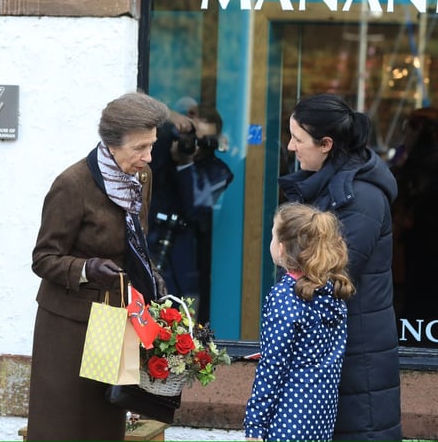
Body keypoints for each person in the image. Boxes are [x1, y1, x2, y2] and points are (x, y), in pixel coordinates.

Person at [27, 91, 169, 441]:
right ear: (111, 143)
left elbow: (136, 242)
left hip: (112, 319)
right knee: (64, 427)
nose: (148, 157)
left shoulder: (143, 177)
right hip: (68, 326)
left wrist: (151, 275)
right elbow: (43, 258)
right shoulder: (72, 184)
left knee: (103, 425)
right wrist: (89, 268)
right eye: (140, 148)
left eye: (151, 146)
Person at [278, 93, 401, 441]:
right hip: (337, 354)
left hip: (357, 363)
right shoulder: (329, 187)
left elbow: (330, 277)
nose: (290, 147)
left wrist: (282, 257)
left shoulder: (359, 198)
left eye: (298, 139)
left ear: (326, 144)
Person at [244, 202, 354, 442]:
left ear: (282, 248)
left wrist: (255, 425)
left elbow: (272, 367)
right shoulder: (333, 292)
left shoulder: (285, 296)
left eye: (273, 234)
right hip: (322, 417)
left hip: (286, 419)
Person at [148, 104, 233, 323]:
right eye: (192, 138)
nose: (194, 146)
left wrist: (185, 165)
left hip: (183, 254)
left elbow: (196, 209)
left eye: (203, 142)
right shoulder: (160, 153)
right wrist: (169, 120)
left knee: (177, 314)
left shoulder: (217, 171)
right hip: (150, 239)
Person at [389, 107, 438, 327]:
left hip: (421, 241)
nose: (403, 137)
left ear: (418, 130)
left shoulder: (421, 163)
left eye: (406, 131)